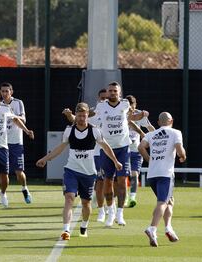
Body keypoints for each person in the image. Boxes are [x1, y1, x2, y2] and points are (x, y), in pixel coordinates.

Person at [37, 102, 122, 240]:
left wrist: (115, 161)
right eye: (79, 116)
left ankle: (84, 225)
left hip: (88, 173)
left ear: (88, 115)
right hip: (71, 170)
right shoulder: (69, 130)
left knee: (86, 203)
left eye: (84, 115)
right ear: (75, 116)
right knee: (69, 198)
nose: (82, 118)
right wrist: (45, 159)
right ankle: (66, 230)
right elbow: (60, 147)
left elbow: (106, 147)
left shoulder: (95, 130)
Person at [93, 82, 148, 227]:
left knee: (123, 180)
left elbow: (131, 117)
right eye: (110, 91)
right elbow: (90, 116)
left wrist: (141, 115)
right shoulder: (101, 106)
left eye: (115, 91)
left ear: (119, 92)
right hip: (106, 148)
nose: (112, 93)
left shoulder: (124, 104)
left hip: (123, 147)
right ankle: (110, 212)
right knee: (107, 181)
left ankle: (120, 213)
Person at [138, 112, 186, 247]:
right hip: (166, 173)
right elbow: (179, 149)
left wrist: (149, 160)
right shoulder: (175, 132)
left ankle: (168, 228)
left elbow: (141, 147)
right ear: (172, 121)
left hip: (152, 174)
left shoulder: (151, 134)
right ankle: (152, 228)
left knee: (169, 201)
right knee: (162, 202)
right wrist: (183, 156)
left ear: (158, 122)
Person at [0, 86, 34, 212]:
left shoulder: (9, 107)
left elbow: (16, 120)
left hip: (6, 146)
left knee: (11, 174)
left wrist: (27, 130)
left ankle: (19, 188)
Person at [62, 88, 108, 223]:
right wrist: (69, 116)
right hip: (92, 154)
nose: (104, 100)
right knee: (98, 183)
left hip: (105, 151)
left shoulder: (115, 110)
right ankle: (101, 211)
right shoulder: (93, 111)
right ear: (98, 99)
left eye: (107, 97)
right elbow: (76, 121)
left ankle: (110, 209)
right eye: (102, 98)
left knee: (108, 182)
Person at [0, 82, 32, 203]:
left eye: (6, 91)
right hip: (2, 143)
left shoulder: (18, 103)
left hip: (16, 143)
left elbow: (23, 119)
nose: (4, 93)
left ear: (11, 92)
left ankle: (24, 189)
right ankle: (3, 194)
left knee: (19, 172)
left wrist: (12, 116)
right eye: (2, 91)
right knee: (3, 173)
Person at [126, 95, 155, 208]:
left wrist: (158, 136)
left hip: (136, 149)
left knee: (134, 174)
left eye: (131, 107)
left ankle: (132, 197)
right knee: (122, 176)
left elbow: (149, 127)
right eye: (128, 107)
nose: (130, 109)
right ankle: (122, 197)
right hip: (122, 149)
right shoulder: (120, 113)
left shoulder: (140, 114)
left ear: (135, 105)